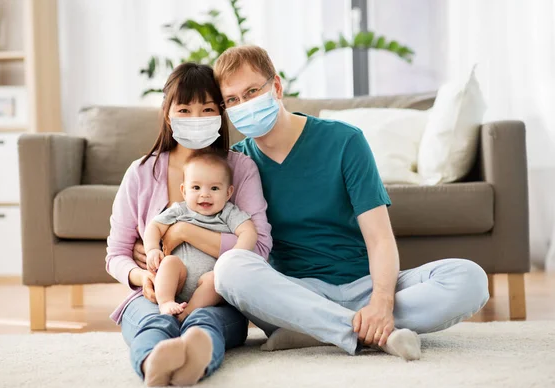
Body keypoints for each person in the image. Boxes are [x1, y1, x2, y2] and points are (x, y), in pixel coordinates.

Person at [209, 45, 490, 359]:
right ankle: (364, 332)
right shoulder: (236, 163)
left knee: (470, 278)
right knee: (230, 269)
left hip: (364, 285)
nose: (243, 105)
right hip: (296, 293)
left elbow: (380, 237)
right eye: (232, 100)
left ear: (276, 86)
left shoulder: (344, 141)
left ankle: (315, 331)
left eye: (251, 92)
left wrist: (381, 303)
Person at [106, 62, 272, 387]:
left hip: (216, 296)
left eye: (207, 109)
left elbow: (260, 250)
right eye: (184, 109)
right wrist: (144, 276)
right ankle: (152, 361)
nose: (196, 119)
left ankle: (195, 361)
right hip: (153, 294)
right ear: (167, 113)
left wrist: (184, 232)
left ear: (221, 113)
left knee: (204, 322)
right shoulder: (141, 173)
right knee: (154, 323)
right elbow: (116, 254)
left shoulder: (241, 169)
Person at [143, 151, 258, 321]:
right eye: (196, 188)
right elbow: (154, 227)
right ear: (184, 190)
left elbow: (249, 232)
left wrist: (235, 258)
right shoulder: (180, 210)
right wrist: (152, 249)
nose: (205, 194)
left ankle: (188, 311)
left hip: (207, 283)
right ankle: (166, 302)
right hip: (179, 278)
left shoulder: (228, 213)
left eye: (214, 188)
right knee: (170, 262)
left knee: (216, 279)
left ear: (228, 193)